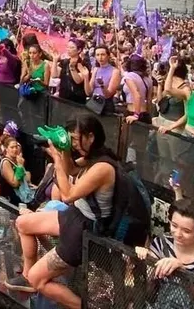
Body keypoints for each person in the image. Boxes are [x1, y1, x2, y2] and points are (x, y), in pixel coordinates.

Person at [11, 115, 118, 309]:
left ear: (91, 137)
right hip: (74, 216)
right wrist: (64, 151)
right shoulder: (90, 159)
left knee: (39, 279)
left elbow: (68, 195)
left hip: (85, 229)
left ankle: (83, 306)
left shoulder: (103, 167)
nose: (74, 144)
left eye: (76, 139)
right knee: (23, 224)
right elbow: (72, 170)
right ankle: (27, 277)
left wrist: (57, 162)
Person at [134, 198, 194, 278]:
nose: (178, 234)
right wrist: (142, 256)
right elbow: (149, 278)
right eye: (174, 226)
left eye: (186, 231)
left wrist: (182, 270)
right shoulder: (161, 242)